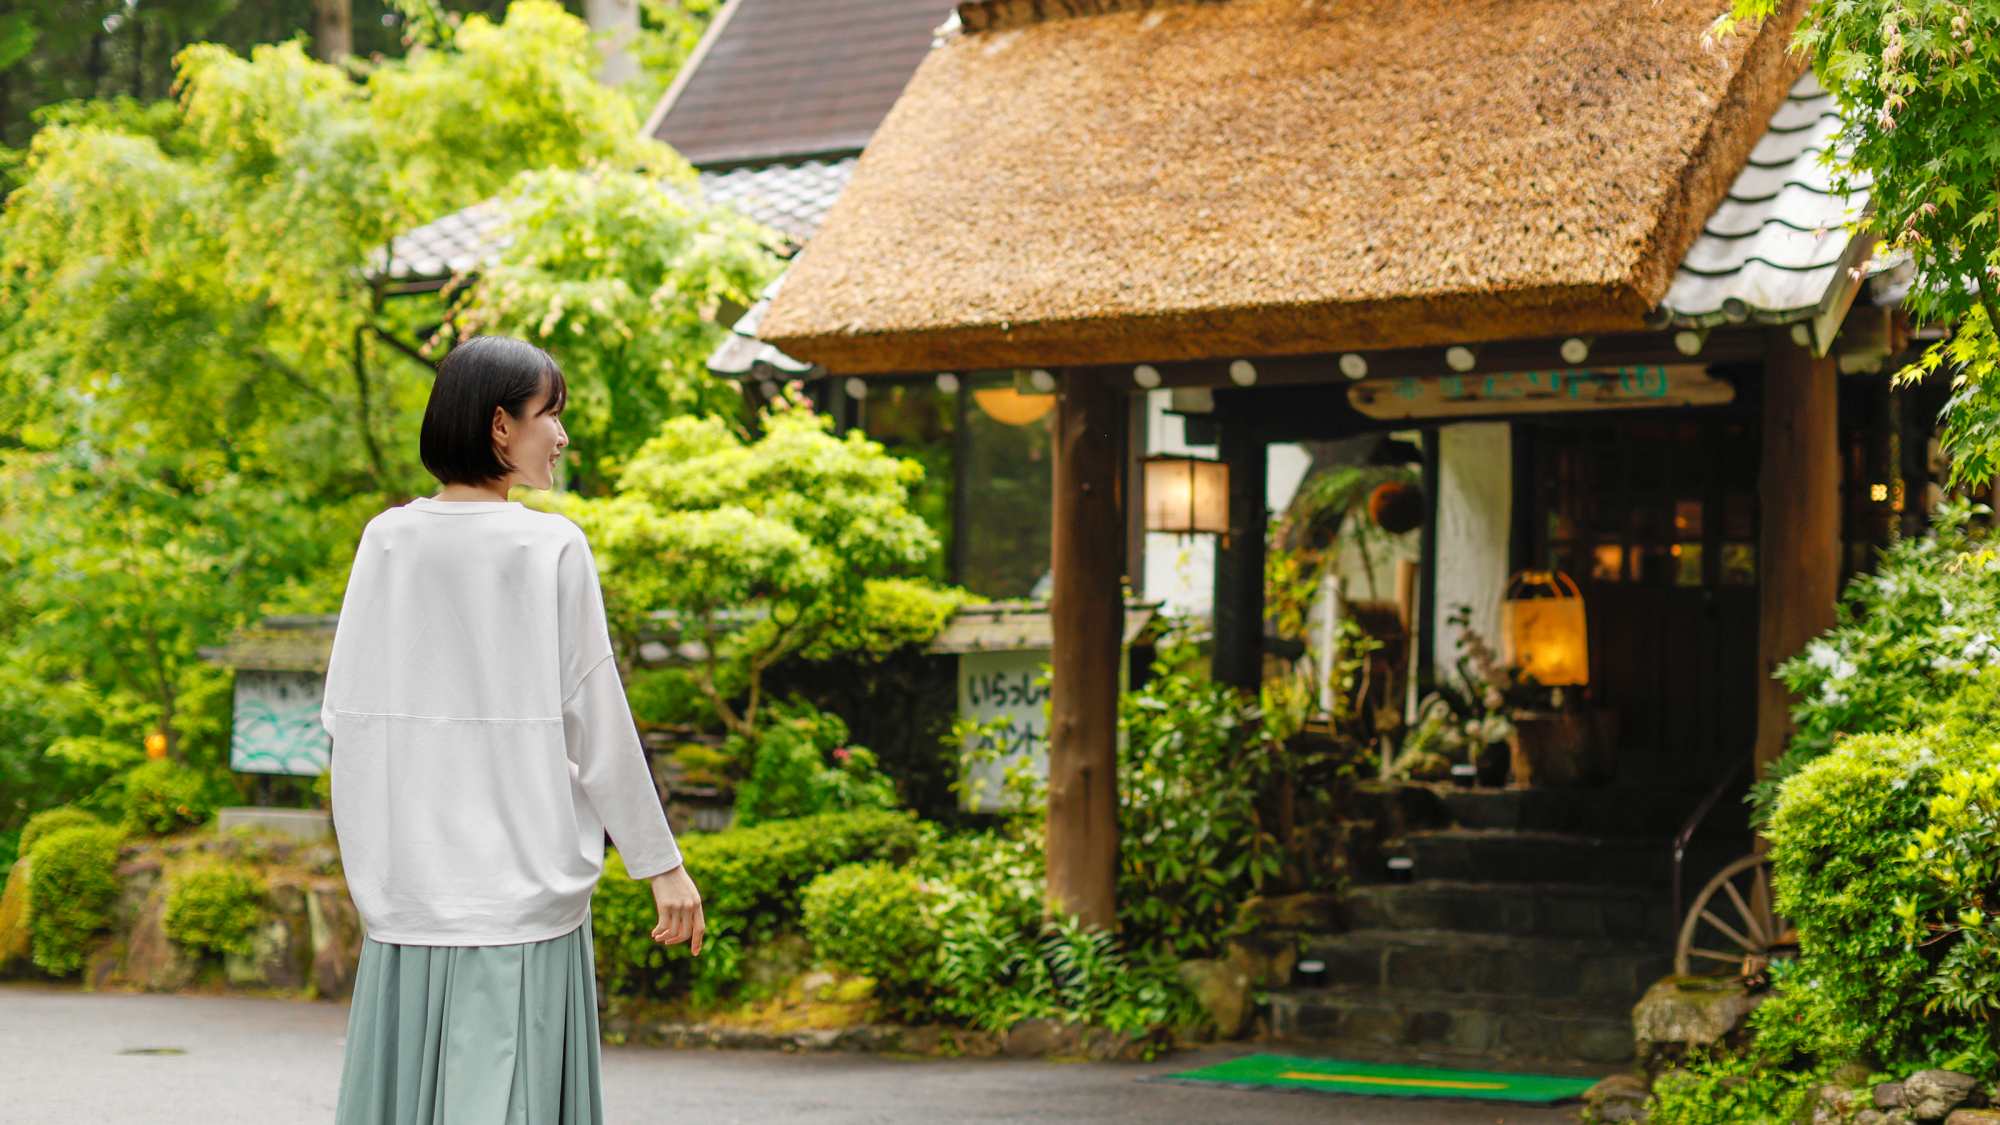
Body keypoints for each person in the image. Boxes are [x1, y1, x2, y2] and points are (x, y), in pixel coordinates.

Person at [321, 335, 704, 1124]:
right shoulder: (551, 546)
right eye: (549, 414)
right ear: (501, 426)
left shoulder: (385, 543)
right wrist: (660, 864)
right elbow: (598, 722)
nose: (560, 435)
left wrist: (382, 865)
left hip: (410, 904)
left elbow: (347, 722)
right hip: (525, 902)